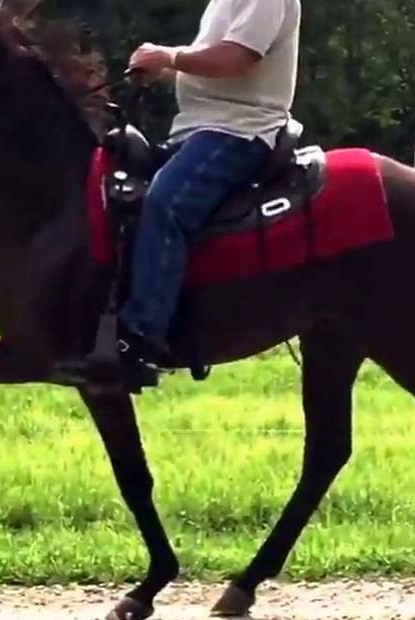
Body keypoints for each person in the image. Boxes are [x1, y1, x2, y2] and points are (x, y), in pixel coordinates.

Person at [91, 0, 302, 392]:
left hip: (240, 130)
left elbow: (237, 59)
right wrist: (166, 71)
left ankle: (140, 340)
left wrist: (168, 55)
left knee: (165, 204)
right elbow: (210, 71)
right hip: (197, 130)